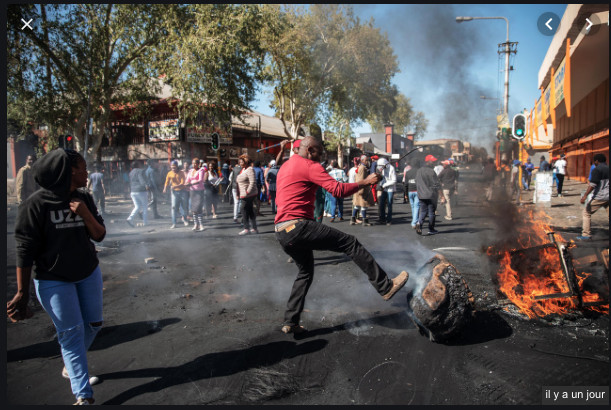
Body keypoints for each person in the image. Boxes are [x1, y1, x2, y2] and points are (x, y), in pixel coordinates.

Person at [274, 136, 409, 334]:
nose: (322, 156)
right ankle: (385, 286)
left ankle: (290, 321)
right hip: (298, 226)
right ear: (310, 150)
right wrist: (366, 181)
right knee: (350, 243)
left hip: (281, 231)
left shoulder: (287, 165)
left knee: (305, 272)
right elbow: (337, 190)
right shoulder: (310, 165)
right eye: (320, 151)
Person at [8, 149, 106, 405]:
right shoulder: (35, 204)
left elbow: (99, 235)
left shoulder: (84, 197)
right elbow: (24, 250)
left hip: (88, 272)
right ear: (69, 172)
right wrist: (22, 292)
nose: (87, 173)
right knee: (71, 333)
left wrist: (85, 214)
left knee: (94, 324)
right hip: (53, 279)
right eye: (83, 168)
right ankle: (83, 395)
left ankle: (71, 365)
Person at [577, 154, 609, 240]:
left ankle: (586, 234)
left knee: (586, 213)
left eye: (595, 161)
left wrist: (584, 196)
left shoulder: (597, 170)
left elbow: (592, 185)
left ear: (597, 161)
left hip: (600, 197)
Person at [416, 154, 445, 235]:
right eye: (433, 161)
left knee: (423, 211)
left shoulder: (419, 171)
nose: (434, 162)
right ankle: (431, 229)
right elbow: (437, 184)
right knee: (431, 212)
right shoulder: (431, 171)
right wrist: (442, 196)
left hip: (421, 195)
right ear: (428, 162)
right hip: (431, 195)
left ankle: (419, 223)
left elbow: (417, 183)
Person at [162, 160, 189, 228]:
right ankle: (174, 223)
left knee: (184, 206)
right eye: (172, 167)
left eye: (174, 167)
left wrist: (175, 186)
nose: (173, 168)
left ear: (177, 167)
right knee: (174, 207)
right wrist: (165, 188)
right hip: (174, 192)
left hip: (182, 191)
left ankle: (185, 220)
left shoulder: (181, 173)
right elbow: (166, 182)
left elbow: (183, 182)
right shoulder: (169, 173)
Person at [236, 154, 258, 235]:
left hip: (248, 194)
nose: (240, 163)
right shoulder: (243, 169)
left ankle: (246, 229)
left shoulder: (249, 169)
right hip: (244, 194)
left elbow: (252, 182)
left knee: (243, 209)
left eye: (242, 162)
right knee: (250, 211)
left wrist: (247, 192)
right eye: (239, 162)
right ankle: (254, 228)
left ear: (246, 162)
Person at [351, 155, 375, 226]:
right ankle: (364, 221)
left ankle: (353, 220)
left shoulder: (361, 167)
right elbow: (360, 179)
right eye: (366, 160)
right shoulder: (362, 168)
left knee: (357, 206)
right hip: (362, 189)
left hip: (360, 189)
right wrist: (361, 190)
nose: (367, 162)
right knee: (363, 205)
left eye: (367, 160)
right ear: (362, 160)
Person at [184, 158, 206, 232]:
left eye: (195, 163)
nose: (194, 165)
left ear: (198, 164)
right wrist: (186, 183)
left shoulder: (201, 170)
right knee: (193, 209)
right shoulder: (190, 171)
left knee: (199, 208)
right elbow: (187, 179)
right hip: (192, 191)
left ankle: (201, 225)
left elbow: (200, 180)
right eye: (193, 163)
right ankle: (195, 224)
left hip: (199, 191)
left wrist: (191, 183)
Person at [126, 160, 150, 227]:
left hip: (133, 191)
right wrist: (146, 185)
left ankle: (130, 218)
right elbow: (141, 179)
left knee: (137, 206)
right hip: (141, 191)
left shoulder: (131, 172)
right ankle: (145, 222)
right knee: (145, 207)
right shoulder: (140, 171)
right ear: (138, 165)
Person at [376, 158, 396, 225]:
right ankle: (382, 218)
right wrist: (381, 184)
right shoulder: (384, 169)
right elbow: (384, 178)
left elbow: (394, 180)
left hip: (390, 189)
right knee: (381, 204)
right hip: (384, 189)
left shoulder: (392, 168)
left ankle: (389, 220)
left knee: (389, 204)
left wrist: (384, 185)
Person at [404, 158, 421, 229]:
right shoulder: (419, 172)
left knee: (413, 207)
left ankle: (415, 220)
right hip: (417, 191)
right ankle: (414, 223)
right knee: (417, 206)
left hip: (410, 191)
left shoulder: (408, 172)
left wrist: (405, 194)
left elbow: (405, 184)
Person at [229, 159, 243, 223]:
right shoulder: (243, 169)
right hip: (240, 187)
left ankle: (235, 217)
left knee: (236, 202)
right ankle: (243, 216)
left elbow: (231, 178)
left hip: (234, 187)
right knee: (242, 201)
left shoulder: (234, 169)